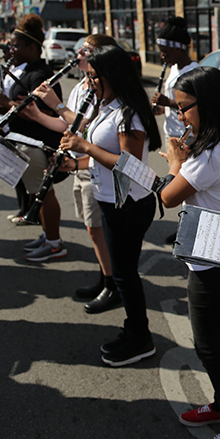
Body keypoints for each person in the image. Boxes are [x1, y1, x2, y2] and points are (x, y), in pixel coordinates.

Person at [158, 67, 220, 439]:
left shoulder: (212, 154)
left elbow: (168, 197)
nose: (181, 116)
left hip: (211, 258)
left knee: (209, 348)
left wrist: (173, 162)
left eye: (185, 108)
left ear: (208, 104)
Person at [58, 45, 162, 367]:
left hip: (128, 204)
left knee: (124, 275)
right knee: (121, 273)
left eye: (93, 77)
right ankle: (133, 331)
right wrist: (74, 165)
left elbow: (128, 164)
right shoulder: (106, 105)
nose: (88, 82)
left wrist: (83, 145)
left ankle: (140, 338)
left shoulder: (128, 112)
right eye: (87, 76)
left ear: (112, 76)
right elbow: (102, 158)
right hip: (111, 199)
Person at [28, 34, 119, 313]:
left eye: (88, 50)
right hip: (80, 164)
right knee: (91, 228)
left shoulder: (101, 87)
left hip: (94, 167)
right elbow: (63, 123)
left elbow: (85, 127)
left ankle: (112, 283)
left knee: (97, 229)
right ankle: (106, 277)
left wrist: (56, 104)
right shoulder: (82, 85)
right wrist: (33, 114)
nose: (80, 53)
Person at [0, 15, 67, 260]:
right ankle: (47, 234)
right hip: (22, 140)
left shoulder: (40, 74)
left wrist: (4, 102)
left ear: (32, 47)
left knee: (44, 193)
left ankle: (54, 243)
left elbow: (42, 114)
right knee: (35, 193)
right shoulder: (26, 70)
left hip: (38, 144)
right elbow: (19, 110)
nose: (12, 49)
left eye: (17, 45)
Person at [151, 16, 199, 244]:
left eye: (165, 51)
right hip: (173, 133)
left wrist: (167, 102)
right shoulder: (173, 69)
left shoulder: (193, 71)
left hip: (189, 136)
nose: (162, 56)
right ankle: (184, 226)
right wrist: (162, 108)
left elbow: (195, 104)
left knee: (185, 185)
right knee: (181, 185)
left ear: (179, 49)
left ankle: (189, 229)